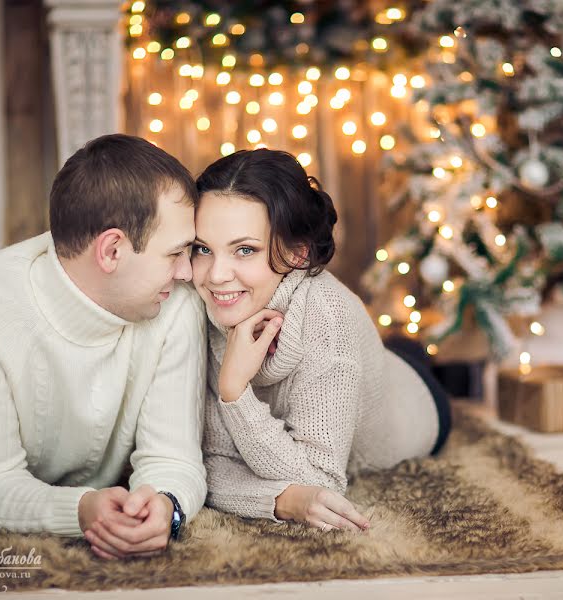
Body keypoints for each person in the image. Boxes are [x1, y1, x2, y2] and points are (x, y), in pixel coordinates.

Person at [0, 134, 207, 560]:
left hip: (80, 429)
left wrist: (166, 504)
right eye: (176, 253)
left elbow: (174, 457)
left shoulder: (177, 301)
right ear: (112, 250)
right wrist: (81, 509)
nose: (188, 272)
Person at [192, 149, 452, 533]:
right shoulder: (201, 305)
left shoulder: (330, 317)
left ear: (297, 252)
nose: (215, 275)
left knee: (403, 357)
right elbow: (208, 464)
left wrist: (233, 391)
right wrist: (282, 500)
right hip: (366, 364)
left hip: (416, 404)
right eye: (203, 248)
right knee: (385, 351)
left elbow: (318, 479)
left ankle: (406, 354)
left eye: (245, 249)